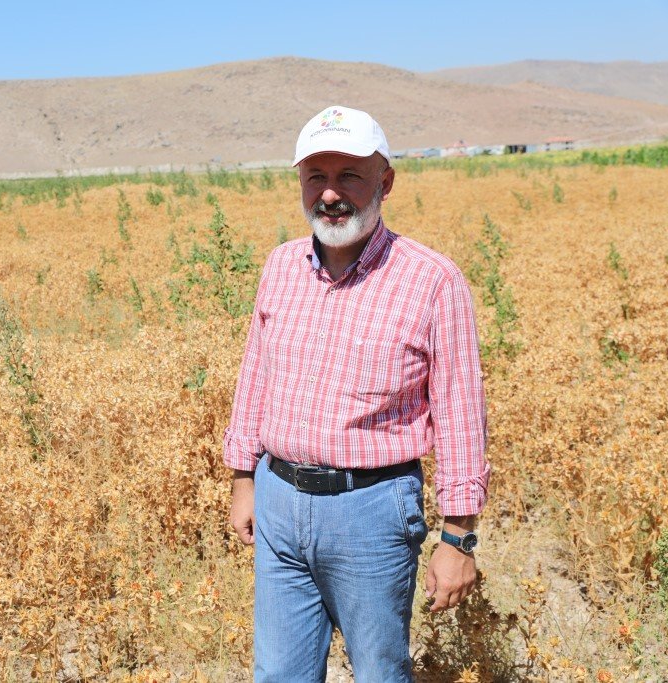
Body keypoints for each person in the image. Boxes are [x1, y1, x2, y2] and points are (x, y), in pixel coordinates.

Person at [224, 105, 491, 682]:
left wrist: (458, 537)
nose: (329, 194)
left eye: (349, 175)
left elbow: (462, 415)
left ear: (385, 182)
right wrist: (244, 479)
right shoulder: (280, 267)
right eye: (316, 176)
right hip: (278, 498)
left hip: (372, 510)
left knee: (378, 672)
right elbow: (256, 376)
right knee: (278, 674)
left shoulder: (433, 281)